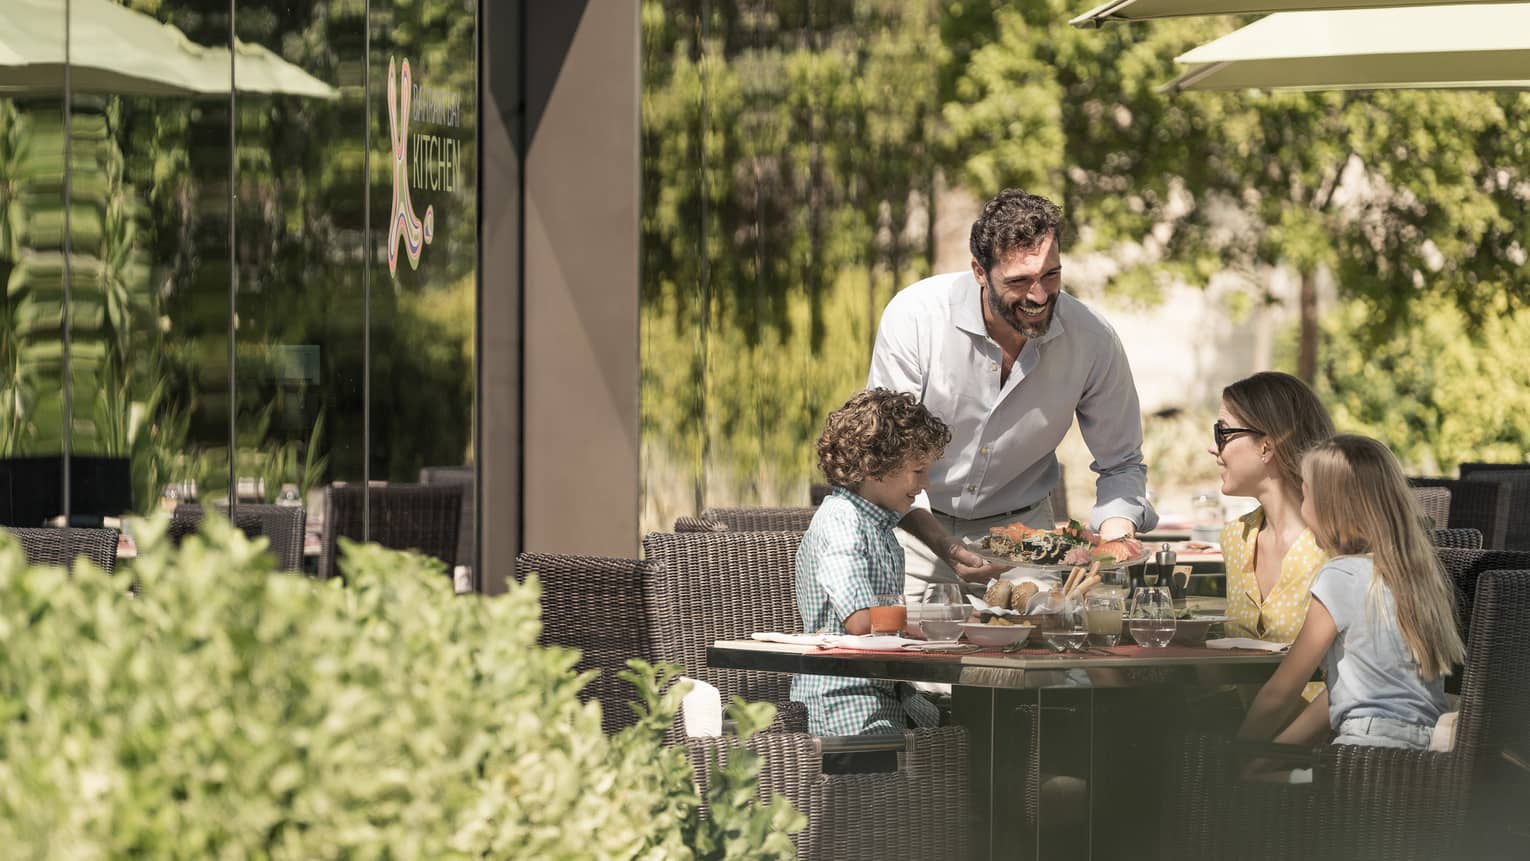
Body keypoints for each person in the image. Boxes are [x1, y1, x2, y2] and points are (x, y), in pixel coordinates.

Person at [867, 189, 1156, 597]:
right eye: (1019, 281)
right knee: (905, 639)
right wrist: (945, 546)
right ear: (979, 271)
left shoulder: (1093, 340)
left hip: (1027, 545)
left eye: (1051, 275)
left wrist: (1116, 537)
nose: (1038, 296)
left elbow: (1122, 463)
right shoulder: (915, 318)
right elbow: (887, 457)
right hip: (913, 535)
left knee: (1040, 638)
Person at [1238, 434, 1463, 755]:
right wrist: (1269, 760)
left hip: (1361, 754)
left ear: (1331, 507)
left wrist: (1239, 756)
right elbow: (1339, 697)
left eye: (1305, 496)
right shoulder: (1415, 577)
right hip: (1423, 754)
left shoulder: (1340, 577)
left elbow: (1281, 693)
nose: (1302, 508)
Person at [792, 388, 951, 737]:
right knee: (961, 747)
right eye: (918, 471)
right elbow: (861, 621)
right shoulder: (841, 521)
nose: (925, 484)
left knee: (978, 728)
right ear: (873, 467)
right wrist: (935, 620)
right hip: (846, 700)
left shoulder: (879, 526)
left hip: (888, 693)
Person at [1212, 372, 1336, 646]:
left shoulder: (1334, 545)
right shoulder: (1234, 538)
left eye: (1222, 432)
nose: (1212, 447)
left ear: (1266, 447)